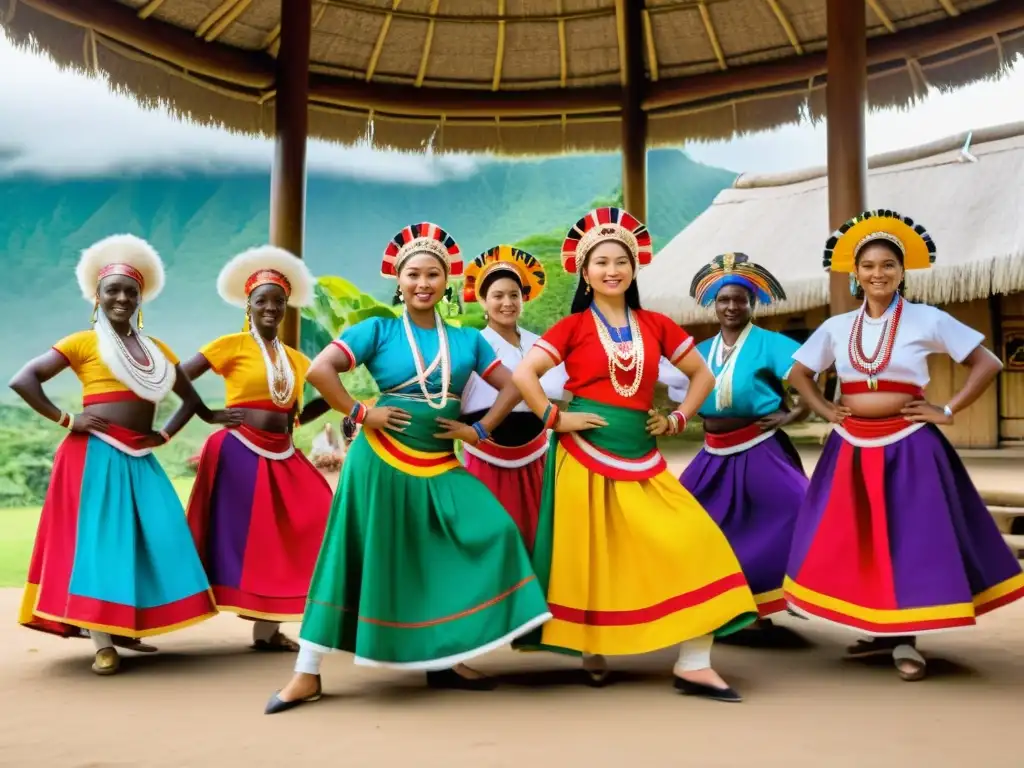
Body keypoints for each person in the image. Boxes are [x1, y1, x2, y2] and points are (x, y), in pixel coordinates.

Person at [264, 222, 551, 714]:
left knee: (492, 531)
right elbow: (320, 370)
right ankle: (306, 674)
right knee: (347, 559)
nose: (423, 283)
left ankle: (446, 656)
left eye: (433, 274)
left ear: (446, 282)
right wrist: (360, 412)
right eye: (413, 274)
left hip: (441, 461)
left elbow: (516, 382)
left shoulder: (468, 341)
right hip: (379, 462)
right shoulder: (377, 329)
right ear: (398, 281)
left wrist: (481, 431)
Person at [512, 207, 759, 701]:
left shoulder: (656, 324)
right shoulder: (572, 326)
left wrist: (678, 418)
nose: (612, 270)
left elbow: (702, 376)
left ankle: (694, 662)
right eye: (601, 262)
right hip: (583, 455)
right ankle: (592, 646)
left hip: (642, 455)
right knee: (592, 560)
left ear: (633, 268)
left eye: (620, 261)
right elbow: (524, 375)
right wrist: (554, 418)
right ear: (585, 273)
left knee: (693, 540)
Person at [784, 209, 1024, 681]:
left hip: (909, 445)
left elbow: (988, 362)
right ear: (855, 272)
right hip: (851, 446)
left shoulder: (927, 319)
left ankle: (904, 640)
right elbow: (799, 373)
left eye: (888, 266)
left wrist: (947, 410)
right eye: (869, 266)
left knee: (906, 538)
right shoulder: (836, 327)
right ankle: (880, 630)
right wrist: (825, 409)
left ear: (902, 272)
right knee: (860, 538)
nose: (878, 274)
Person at [11, 234, 235, 675]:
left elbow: (190, 401)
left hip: (138, 455)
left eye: (130, 291)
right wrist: (66, 419)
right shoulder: (81, 342)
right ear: (97, 295)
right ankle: (102, 642)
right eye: (112, 289)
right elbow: (24, 379)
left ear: (140, 298)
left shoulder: (157, 351)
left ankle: (128, 627)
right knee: (102, 544)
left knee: (157, 535)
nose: (121, 297)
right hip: (93, 453)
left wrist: (167, 435)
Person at [182, 246, 333, 651]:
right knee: (250, 537)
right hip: (237, 450)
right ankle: (260, 629)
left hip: (282, 449)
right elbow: (178, 375)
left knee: (321, 509)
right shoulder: (230, 345)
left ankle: (268, 630)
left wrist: (297, 419)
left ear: (286, 308)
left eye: (278, 302)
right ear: (248, 305)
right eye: (262, 300)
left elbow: (329, 396)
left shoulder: (299, 360)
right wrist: (206, 413)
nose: (270, 307)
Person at [679, 254, 809, 629]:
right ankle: (729, 603)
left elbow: (808, 380)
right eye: (724, 300)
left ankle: (791, 592)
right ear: (713, 305)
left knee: (799, 508)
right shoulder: (700, 351)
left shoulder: (771, 344)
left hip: (760, 446)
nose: (732, 306)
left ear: (753, 303)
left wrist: (793, 414)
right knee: (686, 517)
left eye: (740, 299)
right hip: (713, 453)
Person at [459, 245, 566, 551]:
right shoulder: (473, 345)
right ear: (483, 300)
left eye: (514, 295)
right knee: (494, 533)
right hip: (487, 454)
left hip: (537, 454)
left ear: (523, 299)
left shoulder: (540, 344)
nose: (507, 303)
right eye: (498, 296)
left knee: (540, 531)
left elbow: (559, 395)